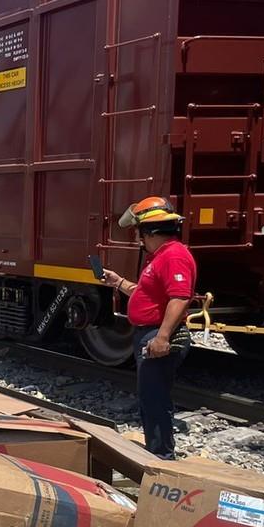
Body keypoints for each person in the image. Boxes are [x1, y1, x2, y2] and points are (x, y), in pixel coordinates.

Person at [102, 196, 197, 460]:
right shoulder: (162, 257)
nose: (137, 240)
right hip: (150, 332)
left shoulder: (174, 256)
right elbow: (147, 293)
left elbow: (180, 296)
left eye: (138, 234)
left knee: (155, 399)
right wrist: (118, 281)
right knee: (150, 397)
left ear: (149, 232)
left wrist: (163, 337)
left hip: (157, 333)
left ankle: (162, 458)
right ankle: (157, 451)